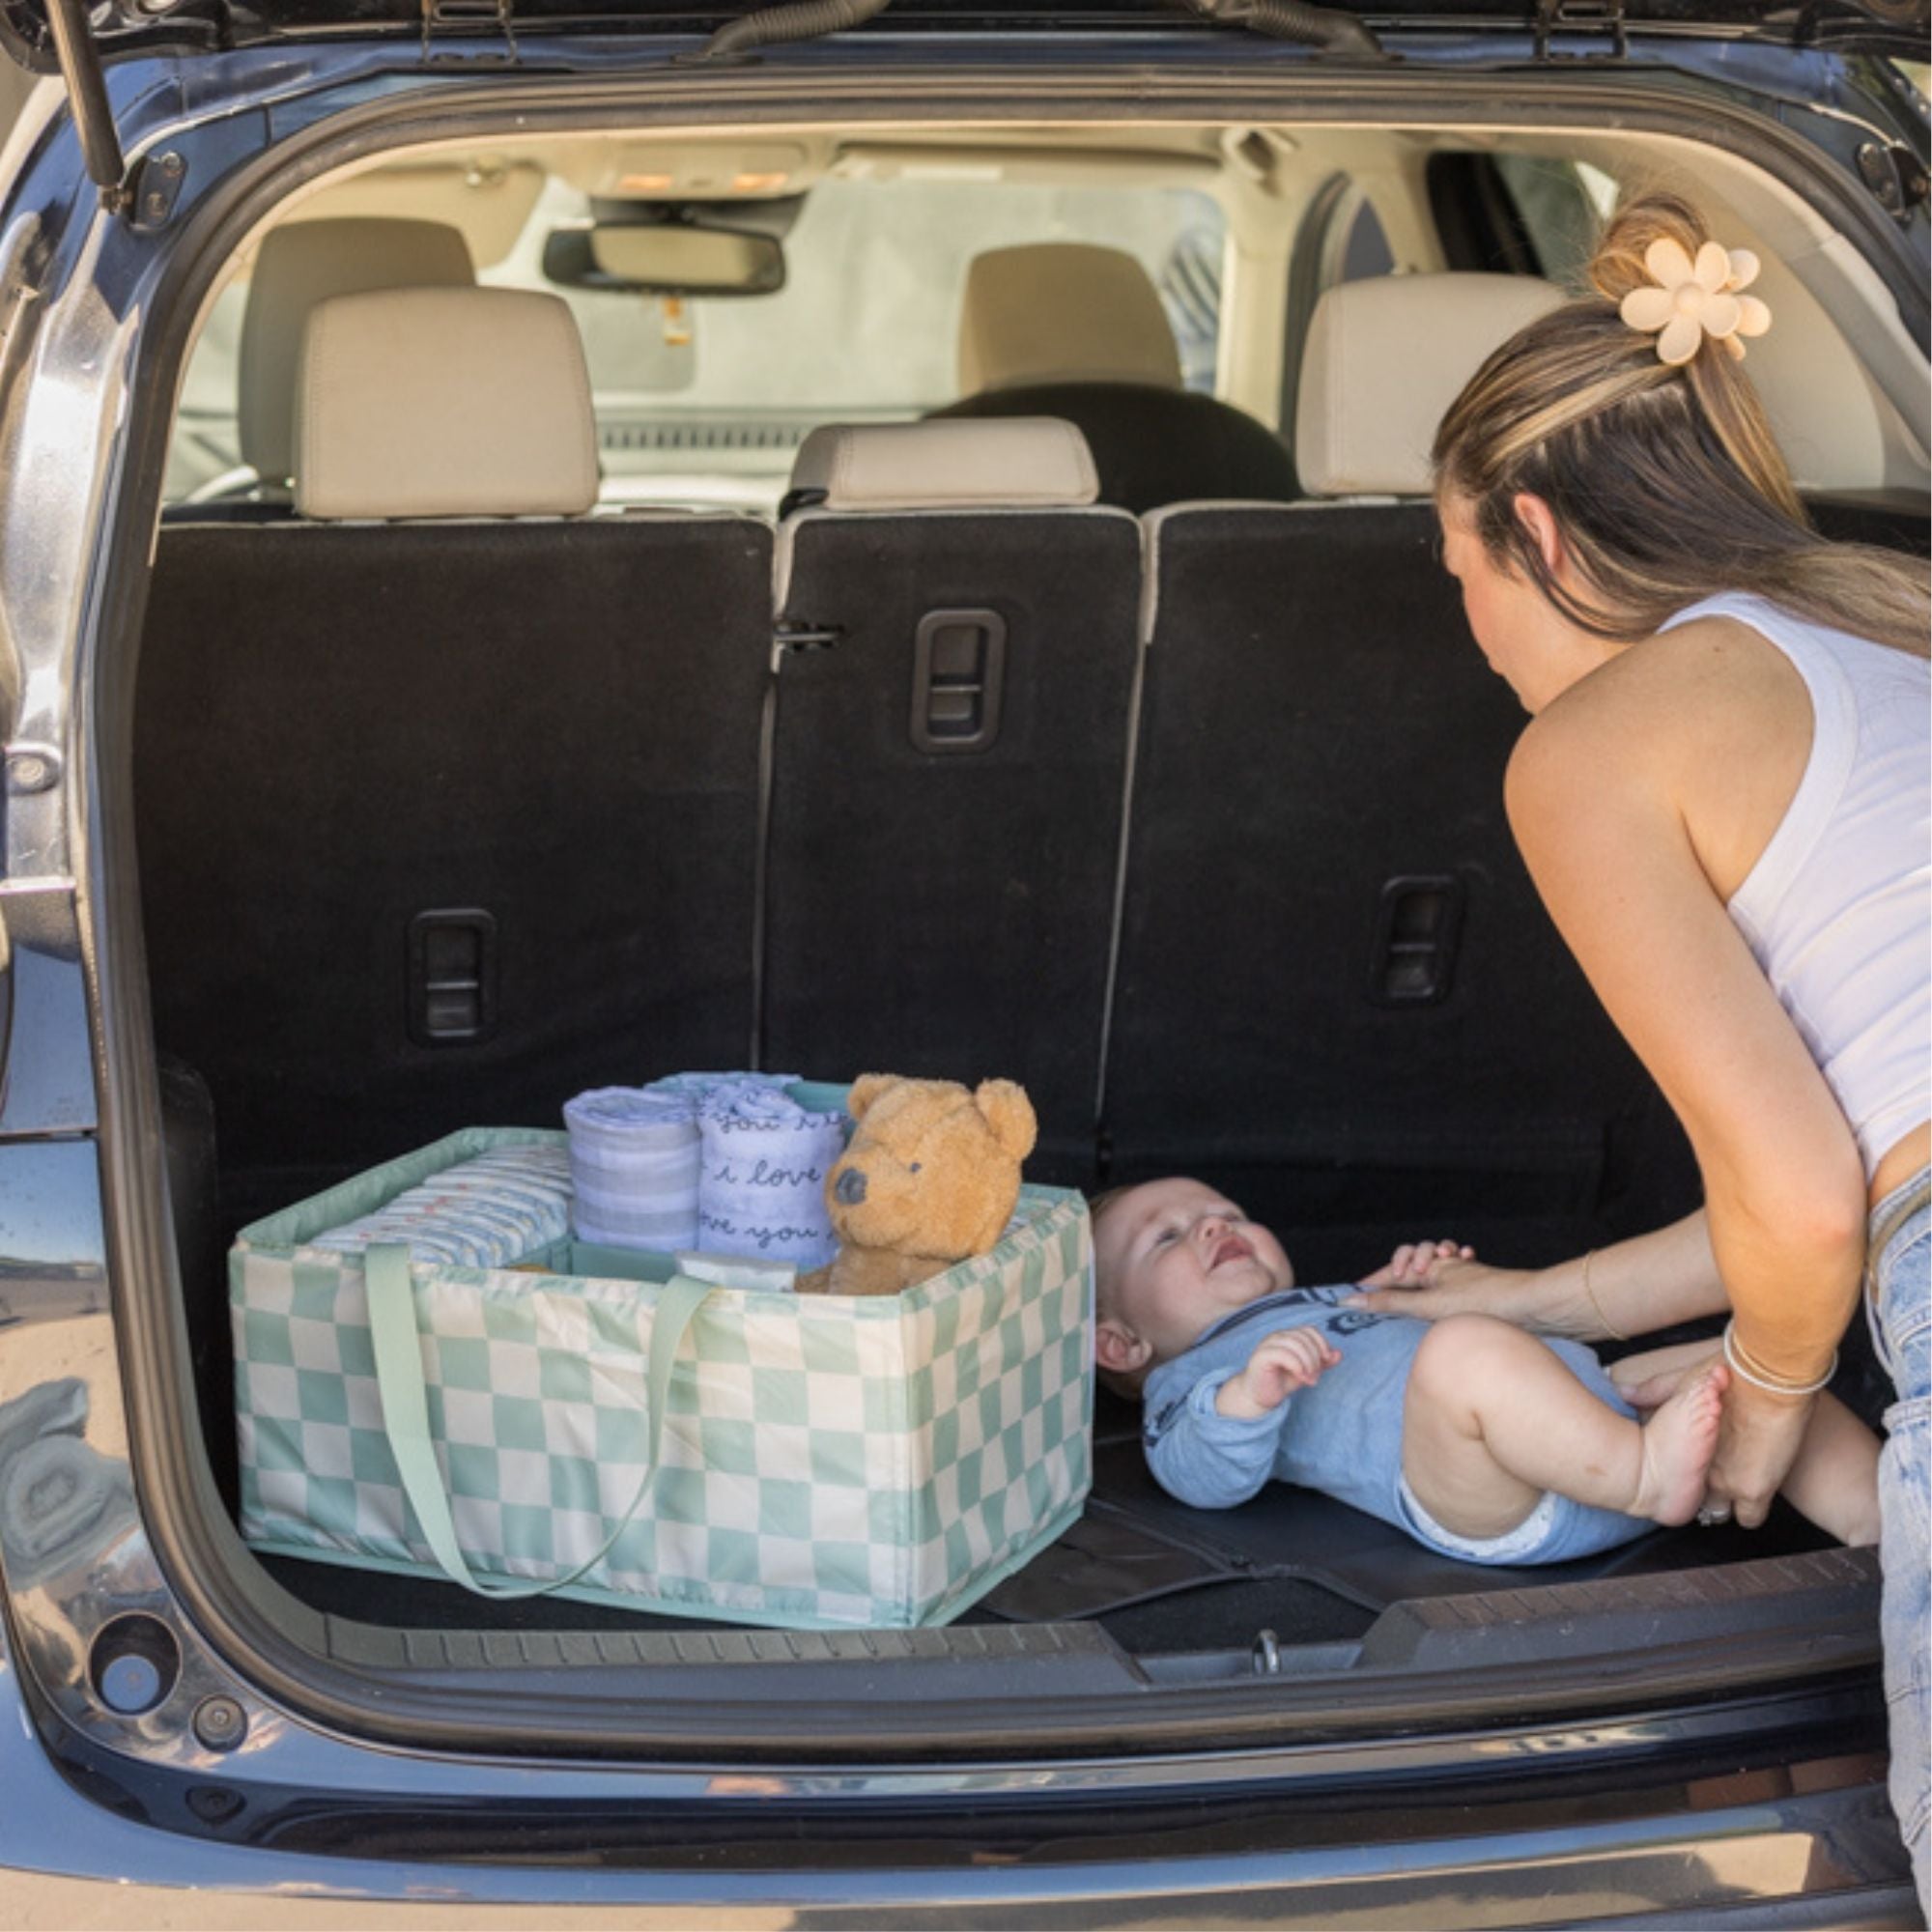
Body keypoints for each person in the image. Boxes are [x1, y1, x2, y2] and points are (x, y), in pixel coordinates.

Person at [1346, 188, 1927, 1901]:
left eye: (1456, 571)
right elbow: (1850, 1158)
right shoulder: (1893, 620)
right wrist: (1533, 1306)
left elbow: (1813, 1206)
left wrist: (1769, 1394)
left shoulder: (1599, 745)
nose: (1468, 623)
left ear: (1536, 535)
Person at [1094, 1177, 1880, 1565]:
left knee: (1768, 1363)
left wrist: (1422, 1281)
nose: (1208, 1227)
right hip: (1485, 1495)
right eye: (1165, 1240)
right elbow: (1195, 1473)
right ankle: (1647, 1475)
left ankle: (1884, 1521)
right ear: (1121, 1344)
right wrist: (1246, 1396)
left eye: (1226, 1216)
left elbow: (1476, 1321)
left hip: (1592, 1416)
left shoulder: (1335, 1297)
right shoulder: (1188, 1381)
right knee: (1461, 1353)